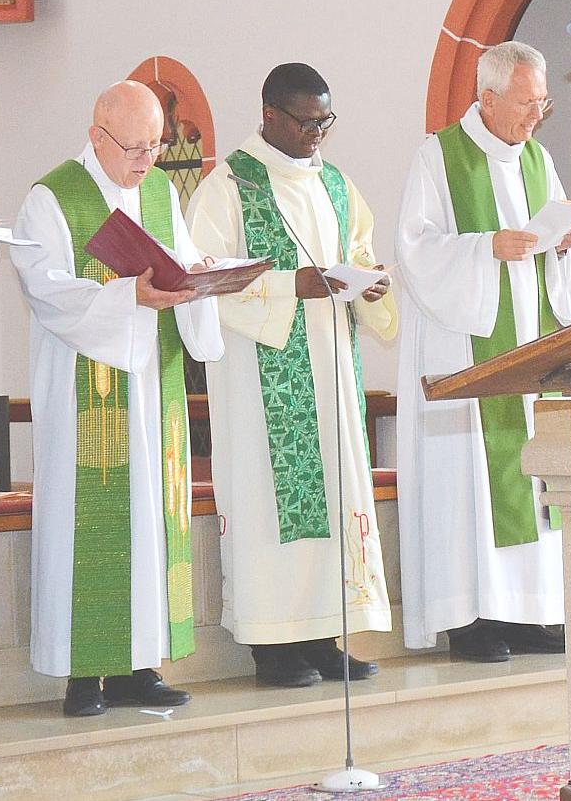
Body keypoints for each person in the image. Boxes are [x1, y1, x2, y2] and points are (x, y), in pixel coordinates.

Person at [11, 81, 225, 717]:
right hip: (86, 389)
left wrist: (200, 277)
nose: (146, 161)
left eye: (156, 146)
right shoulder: (52, 197)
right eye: (135, 147)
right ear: (97, 135)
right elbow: (45, 290)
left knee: (152, 524)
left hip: (153, 388)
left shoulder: (158, 191)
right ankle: (83, 672)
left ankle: (140, 663)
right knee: (89, 523)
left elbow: (179, 263)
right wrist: (123, 297)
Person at [187, 64, 395, 688]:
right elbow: (201, 278)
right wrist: (288, 287)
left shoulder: (334, 183)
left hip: (330, 367)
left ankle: (324, 634)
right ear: (270, 115)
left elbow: (358, 251)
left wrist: (369, 282)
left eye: (325, 122)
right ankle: (271, 645)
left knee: (331, 497)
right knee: (266, 502)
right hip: (261, 380)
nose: (317, 135)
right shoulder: (227, 187)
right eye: (307, 122)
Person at [393, 40, 571, 662]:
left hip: (527, 344)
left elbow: (549, 260)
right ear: (487, 97)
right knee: (469, 481)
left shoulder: (537, 161)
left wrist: (562, 246)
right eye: (529, 103)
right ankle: (469, 616)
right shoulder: (439, 158)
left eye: (543, 104)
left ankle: (529, 612)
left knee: (525, 473)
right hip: (466, 349)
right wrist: (484, 249)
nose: (537, 117)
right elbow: (414, 251)